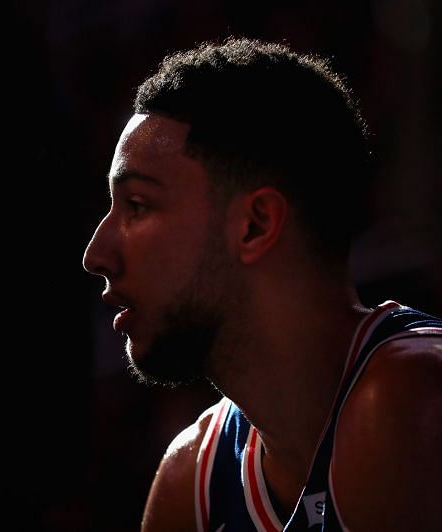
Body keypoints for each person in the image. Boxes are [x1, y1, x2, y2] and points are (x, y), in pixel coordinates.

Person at [82, 37, 442, 531]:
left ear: (254, 225)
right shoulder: (192, 479)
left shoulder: (412, 402)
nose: (96, 254)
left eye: (138, 206)